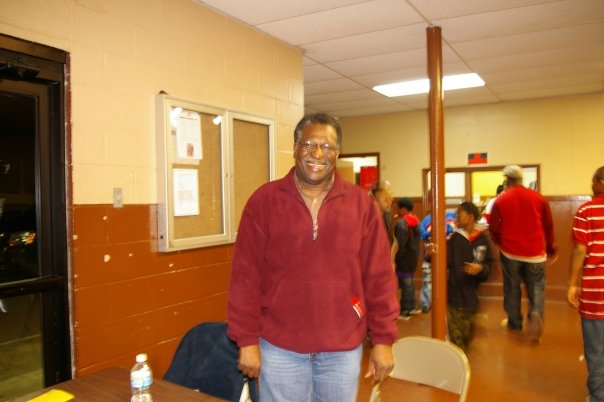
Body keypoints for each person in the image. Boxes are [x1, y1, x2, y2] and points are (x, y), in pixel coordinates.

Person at [227, 113, 399, 402]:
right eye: (308, 144)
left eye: (327, 146)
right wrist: (246, 340)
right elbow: (245, 278)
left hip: (342, 349)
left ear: (337, 153)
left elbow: (379, 277)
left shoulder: (361, 206)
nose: (317, 154)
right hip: (279, 348)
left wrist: (383, 339)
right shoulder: (264, 202)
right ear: (295, 148)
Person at [489, 164, 558, 342]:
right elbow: (548, 225)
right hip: (535, 253)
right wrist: (551, 248)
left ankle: (515, 324)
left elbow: (493, 227)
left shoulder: (501, 200)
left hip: (510, 252)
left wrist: (501, 242)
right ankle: (535, 314)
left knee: (511, 288)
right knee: (536, 288)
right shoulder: (538, 198)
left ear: (508, 180)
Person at [567, 166, 604, 402]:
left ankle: (599, 397)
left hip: (596, 293)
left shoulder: (587, 211)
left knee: (596, 350)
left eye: (593, 181)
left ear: (601, 182)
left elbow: (580, 250)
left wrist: (572, 284)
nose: (591, 185)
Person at [447, 202, 493, 351]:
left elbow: (488, 265)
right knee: (456, 338)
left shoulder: (482, 239)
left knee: (467, 332)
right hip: (455, 293)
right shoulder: (455, 238)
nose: (457, 217)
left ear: (471, 216)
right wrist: (430, 255)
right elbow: (445, 260)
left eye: (460, 214)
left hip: (471, 296)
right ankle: (457, 360)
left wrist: (481, 268)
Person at [418, 210, 457, 312]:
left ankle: (439, 303)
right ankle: (427, 303)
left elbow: (453, 230)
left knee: (442, 280)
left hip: (445, 256)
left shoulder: (449, 216)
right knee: (428, 280)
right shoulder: (427, 220)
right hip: (430, 256)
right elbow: (421, 234)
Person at [393, 197, 421, 319]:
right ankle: (412, 306)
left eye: (398, 208)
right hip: (413, 256)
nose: (397, 210)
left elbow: (399, 244)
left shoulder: (402, 224)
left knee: (406, 283)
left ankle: (405, 310)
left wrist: (395, 259)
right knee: (410, 282)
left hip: (404, 258)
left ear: (404, 209)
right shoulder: (416, 221)